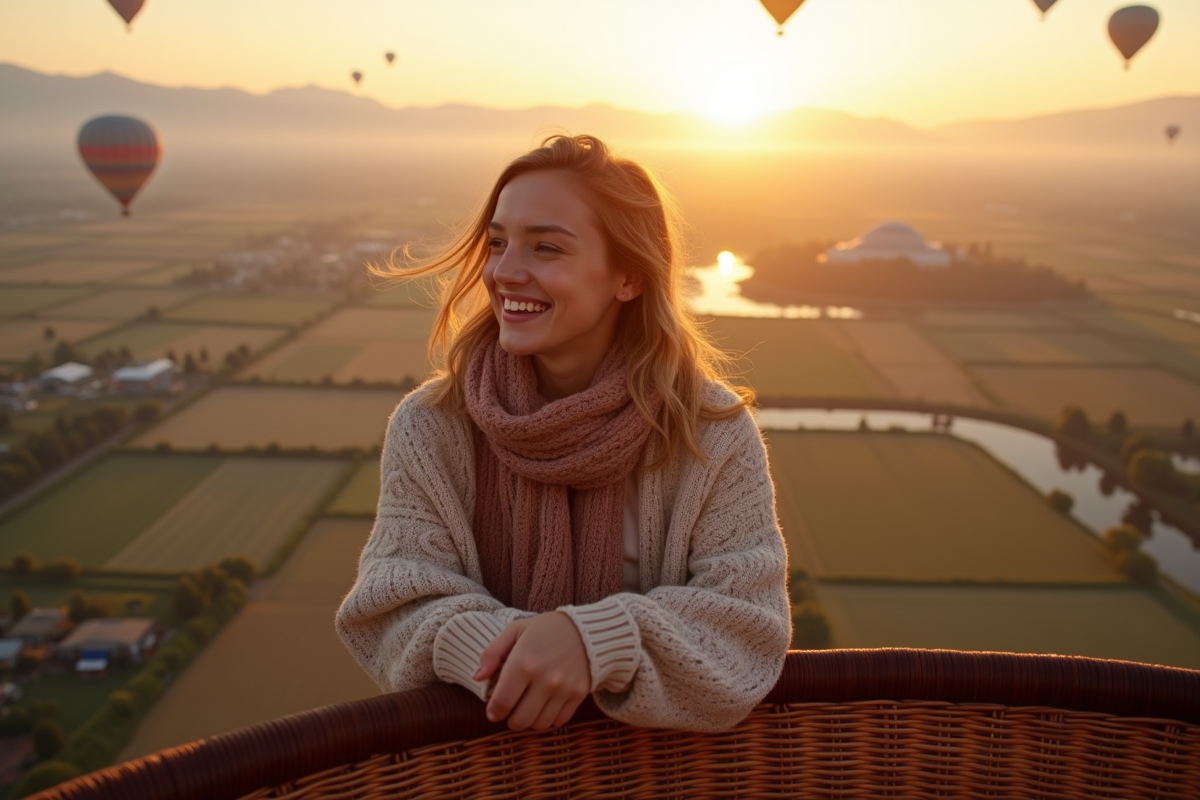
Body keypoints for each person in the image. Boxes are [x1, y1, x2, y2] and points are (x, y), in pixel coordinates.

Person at [335, 134, 790, 733]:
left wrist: (597, 640)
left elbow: (748, 626)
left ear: (627, 277)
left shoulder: (711, 435)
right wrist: (504, 652)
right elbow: (392, 601)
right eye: (498, 243)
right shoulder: (433, 426)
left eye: (546, 247)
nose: (504, 272)